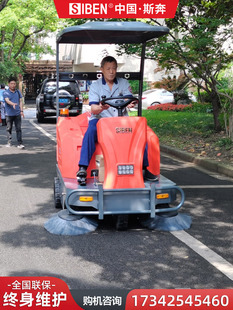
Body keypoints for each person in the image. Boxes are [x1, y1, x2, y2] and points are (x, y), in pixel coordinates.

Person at [76, 56, 157, 185]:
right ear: (102, 70)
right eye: (108, 69)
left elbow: (129, 99)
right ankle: (83, 168)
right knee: (91, 131)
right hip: (101, 119)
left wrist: (130, 103)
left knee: (140, 134)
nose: (111, 71)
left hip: (120, 120)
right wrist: (101, 107)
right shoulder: (96, 86)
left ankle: (144, 168)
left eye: (114, 68)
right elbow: (93, 108)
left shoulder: (123, 83)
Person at [3, 77, 25, 148]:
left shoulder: (18, 92)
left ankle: (20, 143)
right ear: (9, 84)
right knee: (9, 128)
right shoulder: (6, 92)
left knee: (18, 129)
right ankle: (9, 142)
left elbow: (20, 101)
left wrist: (21, 111)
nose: (13, 85)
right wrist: (13, 104)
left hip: (17, 113)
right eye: (11, 84)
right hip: (9, 114)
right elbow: (7, 100)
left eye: (14, 83)